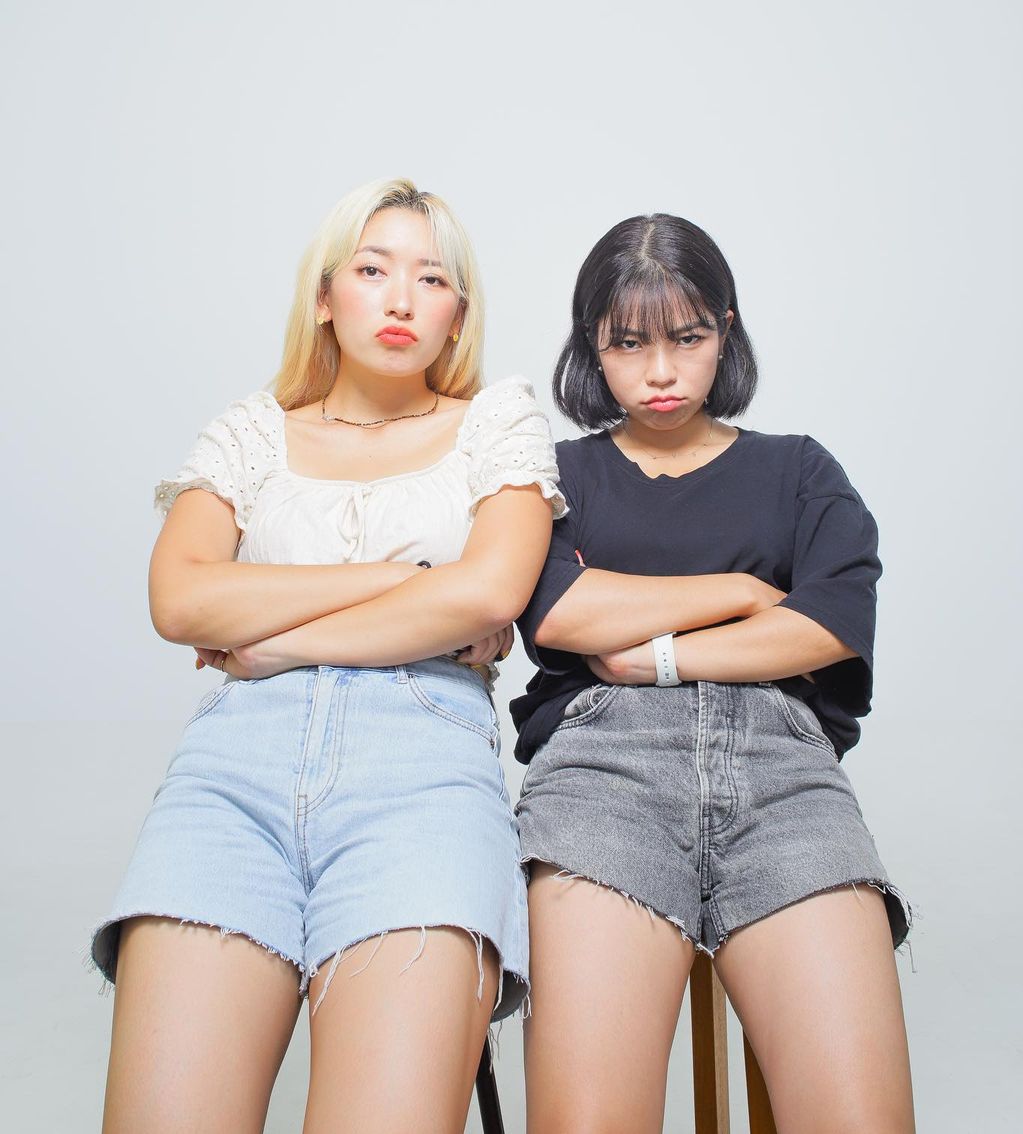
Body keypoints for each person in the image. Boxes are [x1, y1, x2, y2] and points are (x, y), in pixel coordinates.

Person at [90, 178, 564, 1133]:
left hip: (422, 786)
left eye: (432, 279)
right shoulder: (250, 433)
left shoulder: (496, 422)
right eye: (373, 270)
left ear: (458, 312)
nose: (402, 299)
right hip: (229, 784)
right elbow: (180, 599)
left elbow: (488, 593)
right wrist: (410, 581)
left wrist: (270, 638)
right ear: (323, 295)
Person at [511, 213, 915, 1133]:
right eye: (629, 343)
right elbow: (560, 613)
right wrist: (741, 591)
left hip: (786, 781)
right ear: (592, 346)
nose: (661, 372)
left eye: (687, 339)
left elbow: (829, 625)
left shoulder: (798, 469)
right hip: (601, 780)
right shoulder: (554, 476)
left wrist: (651, 653)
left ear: (725, 332)